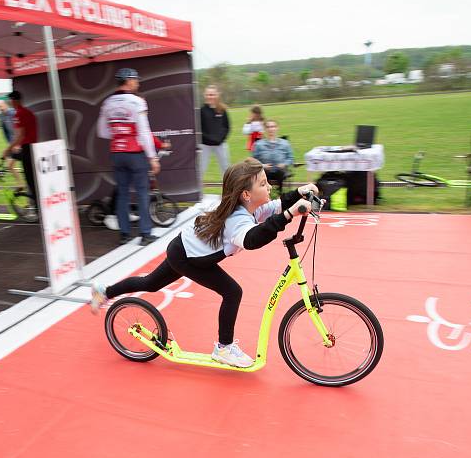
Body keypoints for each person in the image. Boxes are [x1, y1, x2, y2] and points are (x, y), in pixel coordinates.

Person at [90, 157, 319, 368]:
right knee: (232, 292)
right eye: (263, 184)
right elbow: (251, 240)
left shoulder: (248, 207)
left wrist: (299, 192)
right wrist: (290, 214)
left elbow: (276, 207)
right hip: (186, 256)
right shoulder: (236, 219)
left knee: (150, 283)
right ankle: (224, 348)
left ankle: (105, 291)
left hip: (186, 249)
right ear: (246, 195)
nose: (269, 187)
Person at [97, 67, 160, 246]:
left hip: (117, 153)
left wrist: (120, 134)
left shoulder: (107, 103)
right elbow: (144, 132)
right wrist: (153, 157)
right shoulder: (137, 102)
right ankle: (145, 233)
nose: (138, 82)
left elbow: (102, 131)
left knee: (122, 193)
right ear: (129, 81)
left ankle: (124, 235)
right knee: (142, 193)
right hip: (135, 154)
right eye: (136, 79)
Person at [1, 91, 38, 204]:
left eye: (11, 100)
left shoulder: (19, 114)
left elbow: (20, 135)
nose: (10, 102)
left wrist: (7, 150)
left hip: (27, 148)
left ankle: (37, 206)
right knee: (35, 177)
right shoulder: (29, 112)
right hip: (34, 147)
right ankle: (36, 203)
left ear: (14, 100)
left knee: (30, 179)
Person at [252, 119, 294, 189]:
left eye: (273, 126)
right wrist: (262, 165)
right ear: (264, 129)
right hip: (265, 172)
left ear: (277, 128)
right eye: (268, 127)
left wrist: (284, 164)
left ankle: (280, 195)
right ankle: (265, 193)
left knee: (280, 172)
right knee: (264, 173)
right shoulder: (259, 144)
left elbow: (290, 158)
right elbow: (253, 161)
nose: (271, 129)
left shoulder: (285, 143)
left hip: (280, 172)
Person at [200, 85, 230, 177]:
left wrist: (220, 139)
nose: (210, 97)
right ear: (205, 95)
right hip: (205, 145)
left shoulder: (222, 110)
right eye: (208, 95)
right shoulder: (201, 110)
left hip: (220, 144)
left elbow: (227, 127)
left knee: (226, 169)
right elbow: (199, 129)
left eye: (212, 94)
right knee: (201, 169)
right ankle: (197, 191)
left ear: (217, 95)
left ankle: (228, 190)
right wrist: (210, 139)